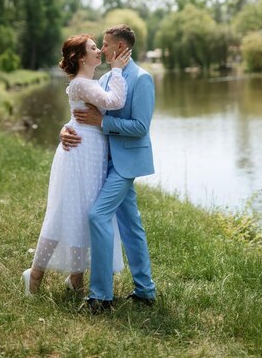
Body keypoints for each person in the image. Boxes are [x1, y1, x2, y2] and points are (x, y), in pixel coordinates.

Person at [22, 34, 132, 296]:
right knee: (64, 213)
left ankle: (76, 279)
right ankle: (34, 275)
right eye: (93, 48)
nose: (98, 51)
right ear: (81, 57)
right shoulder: (82, 84)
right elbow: (115, 102)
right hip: (78, 153)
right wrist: (117, 70)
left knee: (83, 214)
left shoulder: (89, 82)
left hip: (91, 153)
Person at [61, 24, 156, 313]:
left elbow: (140, 128)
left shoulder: (142, 79)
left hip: (125, 164)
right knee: (130, 225)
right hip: (103, 160)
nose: (102, 50)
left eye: (106, 44)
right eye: (99, 45)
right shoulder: (104, 80)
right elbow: (83, 114)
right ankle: (145, 290)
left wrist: (103, 123)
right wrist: (64, 131)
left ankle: (101, 297)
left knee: (97, 215)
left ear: (121, 48)